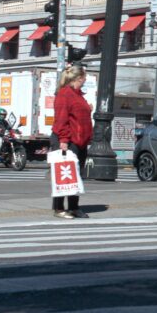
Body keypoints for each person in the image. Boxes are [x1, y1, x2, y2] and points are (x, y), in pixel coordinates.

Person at [51, 64, 93, 220]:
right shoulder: (65, 94)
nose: (85, 80)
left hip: (79, 140)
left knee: (77, 176)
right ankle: (59, 208)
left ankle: (74, 207)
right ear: (78, 78)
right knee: (64, 174)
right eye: (84, 78)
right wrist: (63, 139)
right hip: (69, 140)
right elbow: (61, 119)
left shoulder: (78, 94)